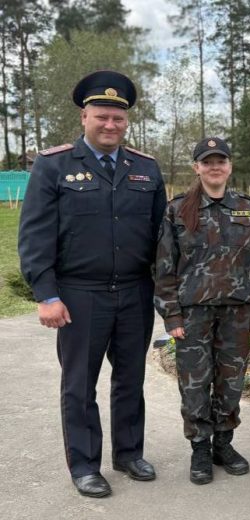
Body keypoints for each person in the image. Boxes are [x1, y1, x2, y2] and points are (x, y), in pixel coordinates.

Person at [18, 70, 166, 497]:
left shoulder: (146, 168)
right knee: (79, 384)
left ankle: (129, 452)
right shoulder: (54, 165)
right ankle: (85, 465)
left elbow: (161, 238)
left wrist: (167, 292)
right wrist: (46, 294)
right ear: (85, 117)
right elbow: (34, 235)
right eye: (102, 116)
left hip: (136, 292)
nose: (110, 125)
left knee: (130, 379)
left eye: (118, 119)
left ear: (126, 122)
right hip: (79, 294)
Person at [154, 137, 250, 484]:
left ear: (229, 167)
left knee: (231, 381)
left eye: (221, 161)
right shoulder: (177, 210)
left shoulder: (248, 208)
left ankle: (224, 442)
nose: (215, 167)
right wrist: (171, 315)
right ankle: (200, 448)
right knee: (194, 382)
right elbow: (163, 267)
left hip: (238, 311)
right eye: (208, 162)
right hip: (193, 314)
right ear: (197, 168)